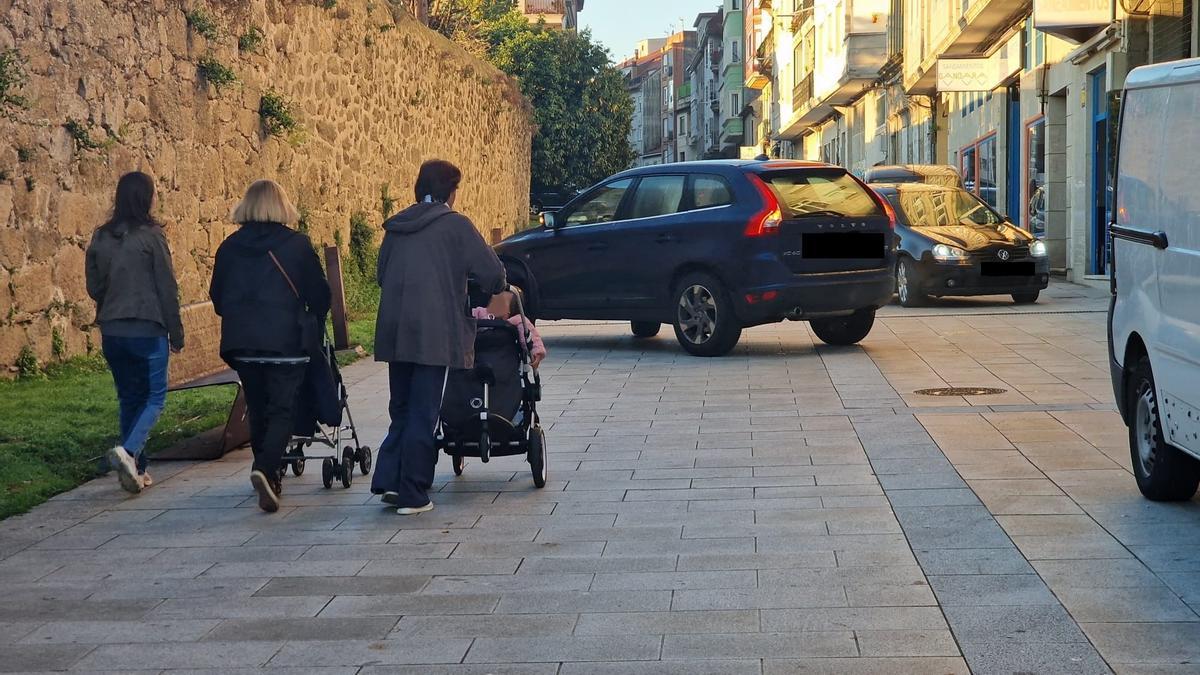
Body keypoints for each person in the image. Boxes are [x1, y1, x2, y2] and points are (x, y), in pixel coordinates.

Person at [373, 159, 506, 515]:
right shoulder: (456, 226)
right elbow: (493, 273)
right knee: (424, 410)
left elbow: (381, 273)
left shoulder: (396, 226)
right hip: (435, 331)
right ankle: (414, 492)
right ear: (451, 190)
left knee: (400, 406)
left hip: (395, 329)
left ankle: (391, 479)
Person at [209, 180, 330, 513]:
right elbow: (320, 296)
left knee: (259, 408)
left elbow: (217, 299)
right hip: (286, 341)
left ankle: (270, 472)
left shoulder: (228, 247)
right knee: (282, 409)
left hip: (242, 343)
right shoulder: (298, 246)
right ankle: (265, 467)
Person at [86, 171, 184, 494]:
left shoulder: (101, 237)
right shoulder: (153, 237)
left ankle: (137, 468)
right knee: (155, 397)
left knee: (129, 397)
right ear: (147, 198)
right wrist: (176, 331)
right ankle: (129, 453)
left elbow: (94, 286)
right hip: (147, 329)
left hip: (113, 331)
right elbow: (167, 288)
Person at [471, 290, 546, 369]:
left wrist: (536, 351)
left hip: (504, 357)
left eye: (500, 303)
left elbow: (530, 335)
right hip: (478, 354)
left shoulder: (517, 320)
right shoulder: (481, 312)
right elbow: (466, 317)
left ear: (510, 310)